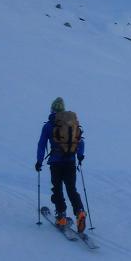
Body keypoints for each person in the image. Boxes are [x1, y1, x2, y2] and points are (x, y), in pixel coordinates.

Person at [35, 97, 87, 233]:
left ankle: (61, 216)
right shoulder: (71, 123)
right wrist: (80, 156)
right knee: (71, 189)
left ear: (52, 110)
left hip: (56, 163)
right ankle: (80, 212)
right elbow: (80, 142)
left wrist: (39, 161)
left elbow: (41, 145)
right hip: (70, 161)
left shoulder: (48, 126)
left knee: (57, 189)